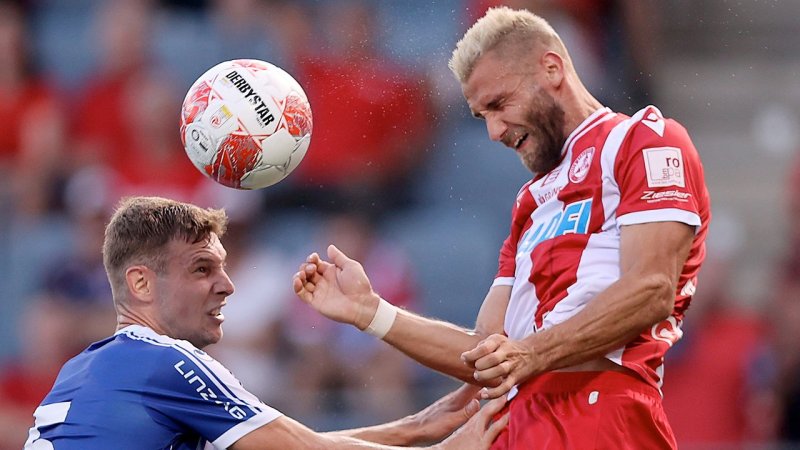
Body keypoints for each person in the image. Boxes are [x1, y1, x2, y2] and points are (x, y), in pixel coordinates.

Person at [294, 6, 710, 449]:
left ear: (551, 68)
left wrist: (530, 354)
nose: (493, 131)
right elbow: (486, 354)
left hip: (603, 414)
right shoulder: (530, 202)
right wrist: (372, 312)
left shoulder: (645, 140)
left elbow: (651, 290)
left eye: (499, 104)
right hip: (516, 423)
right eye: (481, 116)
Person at [25, 196, 508, 449]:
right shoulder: (166, 363)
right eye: (201, 269)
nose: (227, 285)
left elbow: (287, 444)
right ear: (142, 284)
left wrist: (416, 428)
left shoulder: (81, 370)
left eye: (224, 266)